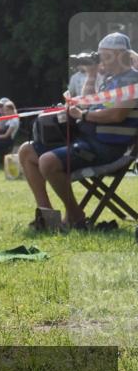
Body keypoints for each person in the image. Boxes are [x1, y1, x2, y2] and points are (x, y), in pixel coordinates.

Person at [19, 32, 138, 230]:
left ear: (119, 55)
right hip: (87, 139)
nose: (100, 60)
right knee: (26, 151)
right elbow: (87, 104)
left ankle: (75, 216)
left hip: (109, 147)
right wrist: (91, 75)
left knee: (47, 161)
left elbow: (116, 115)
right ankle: (47, 217)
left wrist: (82, 116)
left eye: (104, 55)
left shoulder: (132, 80)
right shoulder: (110, 79)